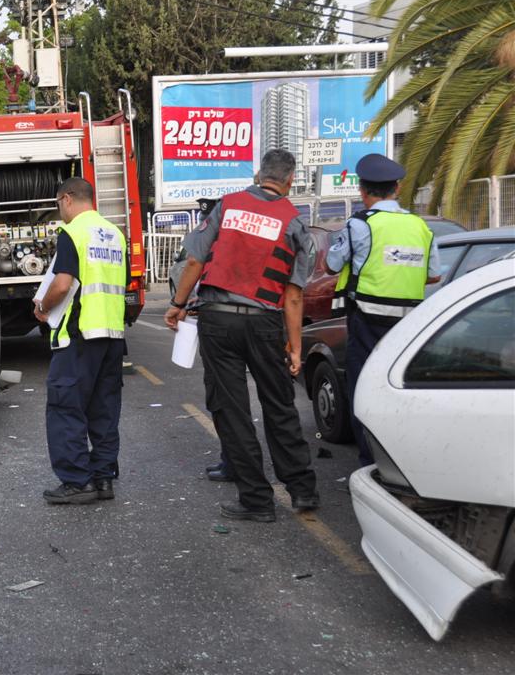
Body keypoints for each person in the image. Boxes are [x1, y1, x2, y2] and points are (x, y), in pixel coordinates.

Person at [165, 149, 319, 523]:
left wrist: (178, 303)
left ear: (257, 175)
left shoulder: (227, 207)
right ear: (290, 180)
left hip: (218, 321)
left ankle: (257, 500)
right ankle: (302, 490)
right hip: (265, 323)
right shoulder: (295, 223)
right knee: (279, 406)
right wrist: (295, 348)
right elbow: (294, 294)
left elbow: (195, 260)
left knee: (232, 411)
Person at [326, 153, 440, 466]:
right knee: (402, 390)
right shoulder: (420, 227)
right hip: (409, 324)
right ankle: (404, 462)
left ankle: (372, 465)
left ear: (363, 191)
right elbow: (434, 274)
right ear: (398, 188)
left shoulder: (360, 224)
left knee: (363, 390)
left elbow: (332, 263)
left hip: (367, 319)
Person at [35, 176, 129, 504]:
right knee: (104, 410)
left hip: (79, 336)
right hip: (112, 335)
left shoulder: (72, 233)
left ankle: (76, 481)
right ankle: (103, 479)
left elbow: (62, 284)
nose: (60, 210)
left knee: (66, 407)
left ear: (67, 199)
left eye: (59, 204)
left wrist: (44, 307)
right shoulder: (116, 235)